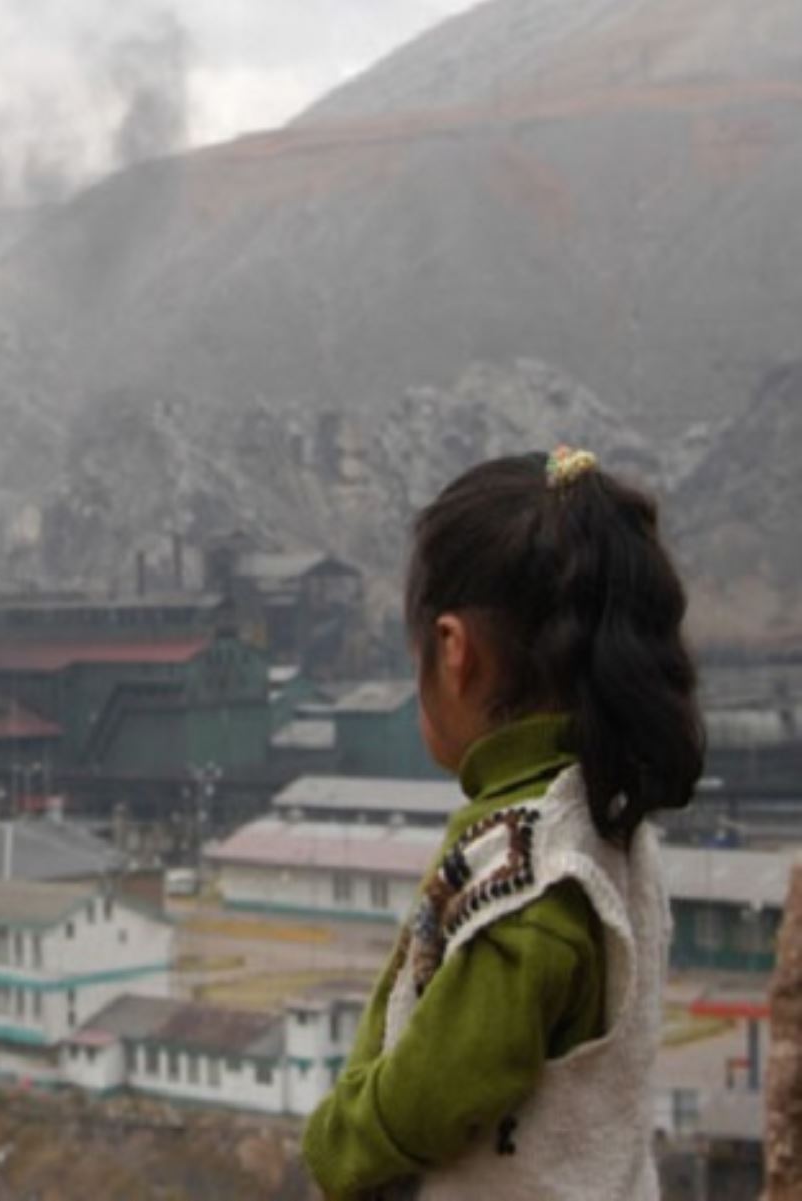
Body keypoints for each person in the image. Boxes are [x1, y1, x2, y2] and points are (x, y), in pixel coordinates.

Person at [303, 448, 704, 1200]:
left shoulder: (530, 880)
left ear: (454, 653)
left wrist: (336, 1139)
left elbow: (437, 1093)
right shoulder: (606, 821)